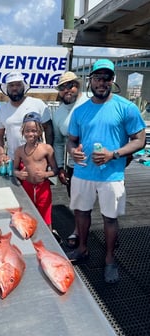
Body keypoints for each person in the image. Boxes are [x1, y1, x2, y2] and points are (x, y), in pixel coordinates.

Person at [66, 59, 146, 283]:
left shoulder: (126, 107)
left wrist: (114, 154)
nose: (102, 82)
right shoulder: (80, 111)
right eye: (98, 78)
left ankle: (110, 259)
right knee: (81, 213)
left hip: (112, 175)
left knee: (110, 218)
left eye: (107, 78)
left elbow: (140, 140)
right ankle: (82, 249)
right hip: (83, 173)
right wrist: (74, 153)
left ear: (113, 80)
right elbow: (72, 141)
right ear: (90, 80)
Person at [52, 71, 89, 248]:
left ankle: (109, 234)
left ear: (78, 86)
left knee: (108, 205)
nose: (67, 90)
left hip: (101, 164)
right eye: (63, 87)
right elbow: (59, 142)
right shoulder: (58, 114)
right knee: (77, 202)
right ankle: (77, 230)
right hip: (75, 166)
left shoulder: (91, 101)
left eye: (71, 85)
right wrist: (60, 167)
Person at [0, 71, 53, 164]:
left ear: (23, 86)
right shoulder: (1, 110)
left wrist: (49, 154)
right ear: (7, 88)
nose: (15, 88)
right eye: (11, 85)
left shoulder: (38, 104)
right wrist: (1, 154)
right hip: (13, 160)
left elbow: (49, 128)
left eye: (18, 84)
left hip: (38, 160)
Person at [14, 112, 58, 231]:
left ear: (39, 131)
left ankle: (49, 240)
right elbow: (14, 169)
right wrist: (18, 173)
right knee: (27, 215)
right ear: (23, 131)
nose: (30, 134)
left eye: (34, 131)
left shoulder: (47, 148)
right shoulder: (19, 151)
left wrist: (46, 174)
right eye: (27, 131)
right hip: (26, 187)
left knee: (46, 218)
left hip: (43, 187)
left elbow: (55, 170)